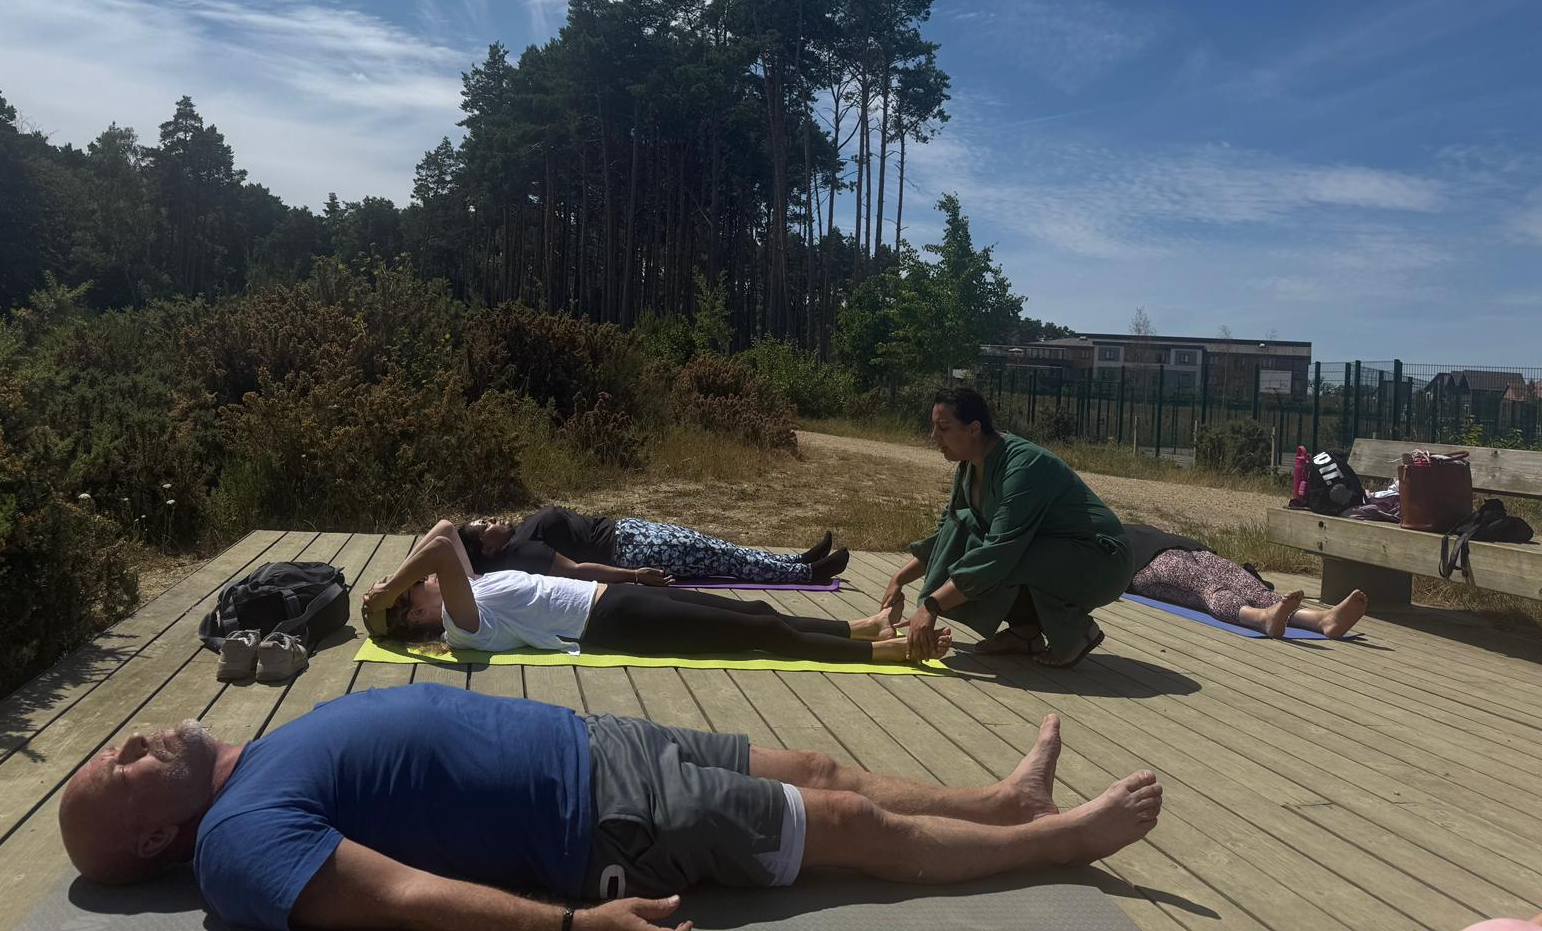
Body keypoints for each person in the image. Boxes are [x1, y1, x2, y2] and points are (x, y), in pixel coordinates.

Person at [58, 686, 1165, 931]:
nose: (136, 738)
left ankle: (1006, 801)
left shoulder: (247, 761)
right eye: (122, 765)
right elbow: (395, 900)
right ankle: (1067, 841)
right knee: (854, 836)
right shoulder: (238, 848)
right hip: (603, 818)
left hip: (596, 743)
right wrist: (570, 929)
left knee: (824, 768)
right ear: (156, 836)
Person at [363, 518, 935, 666]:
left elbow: (442, 532)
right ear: (417, 618)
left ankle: (859, 627)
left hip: (612, 603)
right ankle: (880, 649)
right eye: (417, 595)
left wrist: (392, 592)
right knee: (757, 634)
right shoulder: (464, 626)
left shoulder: (475, 586)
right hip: (609, 624)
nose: (428, 582)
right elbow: (437, 554)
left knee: (757, 610)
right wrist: (391, 589)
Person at [888, 388, 1133, 668]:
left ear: (974, 428)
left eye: (943, 428)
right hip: (1050, 552)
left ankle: (1076, 632)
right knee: (968, 529)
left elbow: (999, 553)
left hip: (1102, 562)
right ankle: (1025, 632)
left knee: (996, 560)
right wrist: (898, 580)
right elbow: (948, 532)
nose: (934, 437)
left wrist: (932, 606)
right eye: (933, 427)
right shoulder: (969, 466)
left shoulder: (1022, 467)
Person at [463, 505, 848, 585]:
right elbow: (578, 571)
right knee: (723, 558)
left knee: (720, 546)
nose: (494, 520)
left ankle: (795, 560)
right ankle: (809, 573)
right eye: (486, 525)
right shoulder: (523, 550)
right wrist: (633, 576)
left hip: (629, 532)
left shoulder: (517, 538)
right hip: (633, 551)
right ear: (489, 549)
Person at [1122, 523, 1369, 639]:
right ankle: (1260, 618)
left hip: (1194, 550)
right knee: (1208, 588)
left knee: (1255, 589)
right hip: (1149, 566)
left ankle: (1323, 620)